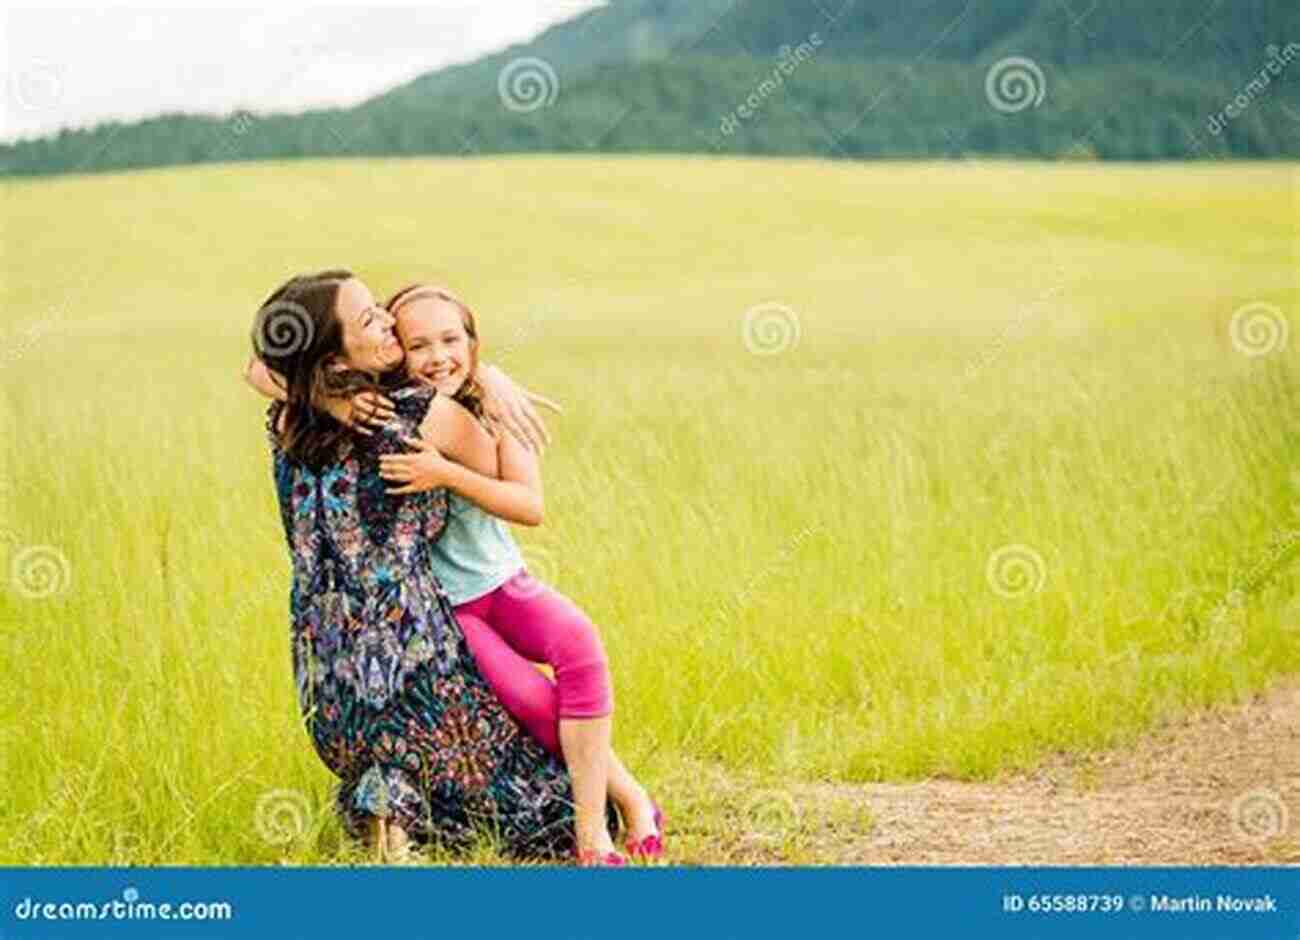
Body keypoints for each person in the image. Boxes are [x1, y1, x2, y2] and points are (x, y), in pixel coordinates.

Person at [250, 268, 620, 863]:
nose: (389, 322)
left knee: (526, 695)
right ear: (332, 355)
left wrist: (488, 380)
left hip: (324, 662)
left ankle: (395, 820)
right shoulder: (388, 411)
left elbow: (266, 365)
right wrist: (331, 396)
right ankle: (594, 808)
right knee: (515, 781)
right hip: (415, 646)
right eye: (371, 317)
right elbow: (267, 366)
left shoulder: (290, 419)